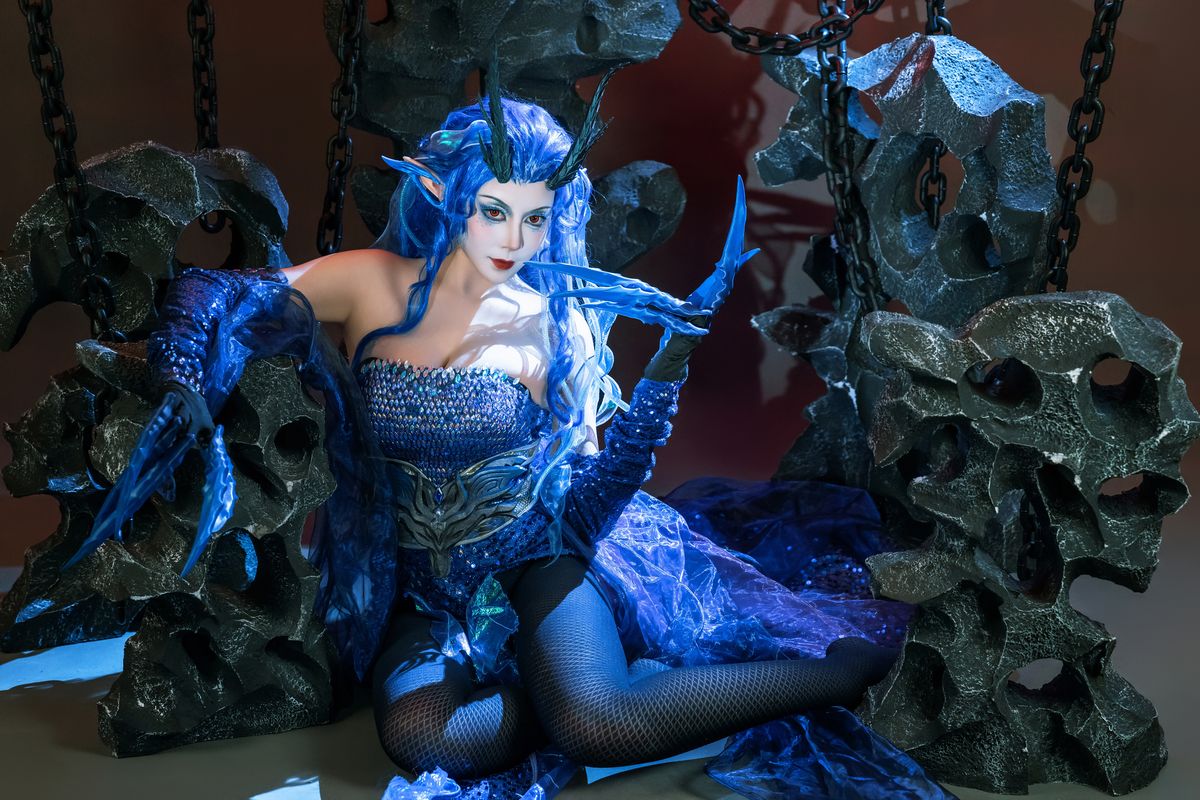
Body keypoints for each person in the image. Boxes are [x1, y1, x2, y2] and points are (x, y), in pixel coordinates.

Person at [74, 83, 950, 800]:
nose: (515, 241)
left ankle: (837, 672)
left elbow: (590, 499)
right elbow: (217, 293)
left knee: (597, 725)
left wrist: (661, 384)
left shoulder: (552, 320)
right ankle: (562, 682)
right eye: (494, 212)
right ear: (442, 194)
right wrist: (184, 379)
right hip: (419, 588)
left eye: (535, 219)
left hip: (543, 560)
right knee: (424, 742)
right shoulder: (369, 285)